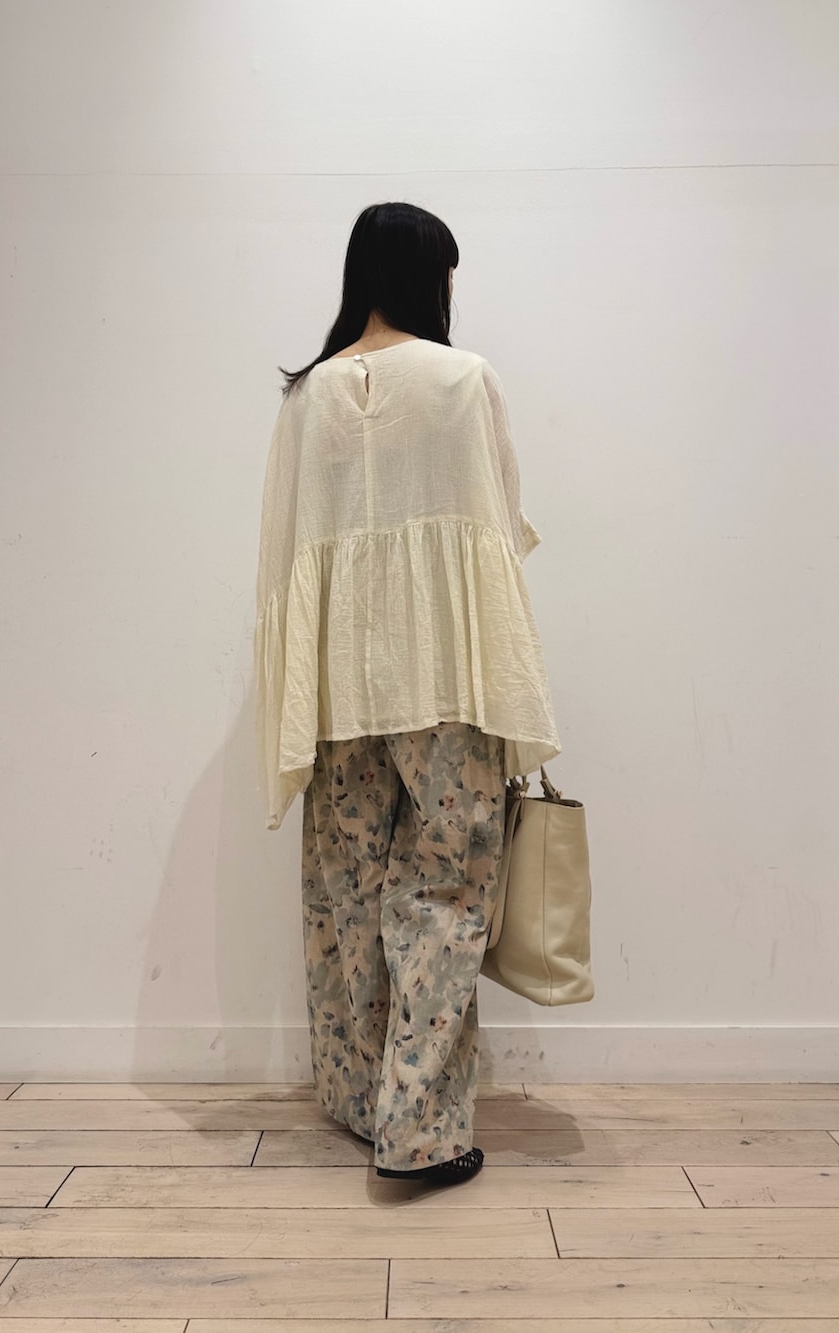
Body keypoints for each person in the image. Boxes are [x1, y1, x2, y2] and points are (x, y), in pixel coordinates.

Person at [254, 201, 560, 1184]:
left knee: (346, 894)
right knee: (445, 894)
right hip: (447, 687)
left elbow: (283, 561)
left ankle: (359, 1102)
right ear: (428, 277)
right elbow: (499, 532)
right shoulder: (464, 380)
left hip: (338, 692)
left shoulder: (306, 397)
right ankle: (419, 1131)